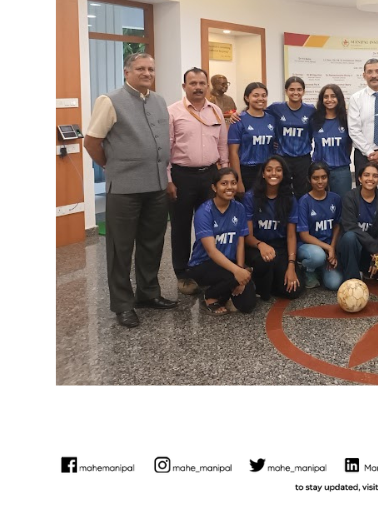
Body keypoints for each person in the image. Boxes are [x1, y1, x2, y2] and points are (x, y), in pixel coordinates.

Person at [83, 52, 178, 328]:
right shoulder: (109, 100)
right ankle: (123, 305)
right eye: (140, 69)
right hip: (124, 189)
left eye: (151, 69)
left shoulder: (159, 101)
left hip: (156, 186)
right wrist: (111, 166)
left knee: (152, 244)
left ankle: (148, 293)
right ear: (127, 72)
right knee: (120, 249)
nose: (147, 73)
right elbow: (91, 142)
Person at [166, 68, 229, 296]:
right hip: (182, 176)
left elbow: (222, 145)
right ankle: (182, 273)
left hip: (210, 176)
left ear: (207, 86)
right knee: (181, 227)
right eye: (193, 83)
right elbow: (166, 149)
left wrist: (225, 173)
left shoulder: (216, 111)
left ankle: (205, 268)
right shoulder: (173, 112)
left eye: (202, 83)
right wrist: (168, 180)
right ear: (184, 86)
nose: (198, 87)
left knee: (210, 225)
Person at [187, 167, 257, 315]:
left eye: (233, 183)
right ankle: (209, 296)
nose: (229, 187)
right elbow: (211, 251)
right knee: (234, 276)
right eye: (224, 183)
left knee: (247, 305)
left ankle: (225, 291)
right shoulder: (204, 212)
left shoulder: (239, 208)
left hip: (229, 263)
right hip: (203, 264)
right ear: (214, 187)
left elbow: (240, 243)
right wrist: (237, 272)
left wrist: (240, 269)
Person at [242, 155, 302, 302]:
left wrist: (291, 265)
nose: (273, 173)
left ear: (283, 174)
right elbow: (247, 236)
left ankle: (271, 279)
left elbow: (291, 236)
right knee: (265, 287)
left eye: (278, 170)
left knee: (293, 291)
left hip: (279, 247)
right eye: (269, 170)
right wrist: (260, 245)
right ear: (263, 173)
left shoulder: (290, 198)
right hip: (256, 246)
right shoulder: (250, 197)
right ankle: (259, 280)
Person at [335, 162, 378, 284]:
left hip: (371, 253)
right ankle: (353, 282)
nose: (370, 179)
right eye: (366, 175)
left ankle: (368, 271)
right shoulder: (350, 197)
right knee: (350, 236)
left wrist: (376, 255)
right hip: (352, 249)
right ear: (360, 178)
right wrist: (374, 248)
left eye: (375, 176)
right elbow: (350, 227)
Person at [347, 58, 378, 196]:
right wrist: (370, 153)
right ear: (364, 75)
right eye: (370, 72)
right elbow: (354, 129)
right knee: (364, 194)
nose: (374, 75)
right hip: (363, 155)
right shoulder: (356, 98)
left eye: (377, 71)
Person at [296, 162, 344, 290]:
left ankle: (320, 269)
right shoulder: (304, 201)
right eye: (315, 178)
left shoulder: (335, 199)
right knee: (318, 256)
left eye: (323, 177)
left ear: (328, 178)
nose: (320, 181)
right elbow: (304, 235)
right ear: (309, 179)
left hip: (328, 248)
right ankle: (308, 270)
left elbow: (337, 226)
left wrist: (332, 248)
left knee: (334, 284)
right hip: (309, 248)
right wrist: (328, 248)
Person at [267, 76, 316, 196]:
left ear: (303, 91)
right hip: (282, 157)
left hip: (303, 158)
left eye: (299, 89)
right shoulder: (276, 108)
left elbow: (313, 131)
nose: (295, 92)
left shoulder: (310, 110)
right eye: (292, 89)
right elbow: (258, 113)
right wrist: (237, 115)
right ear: (286, 91)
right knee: (282, 191)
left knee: (303, 192)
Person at [227, 82, 277, 195]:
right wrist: (238, 181)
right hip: (247, 171)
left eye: (264, 95)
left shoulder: (272, 119)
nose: (260, 99)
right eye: (256, 95)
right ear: (247, 98)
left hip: (268, 170)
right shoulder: (238, 120)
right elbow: (233, 153)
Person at [311, 84, 353, 198]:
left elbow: (350, 144)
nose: (329, 100)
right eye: (326, 97)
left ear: (339, 98)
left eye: (333, 96)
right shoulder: (315, 120)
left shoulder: (347, 120)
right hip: (319, 170)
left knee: (342, 203)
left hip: (341, 171)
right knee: (319, 202)